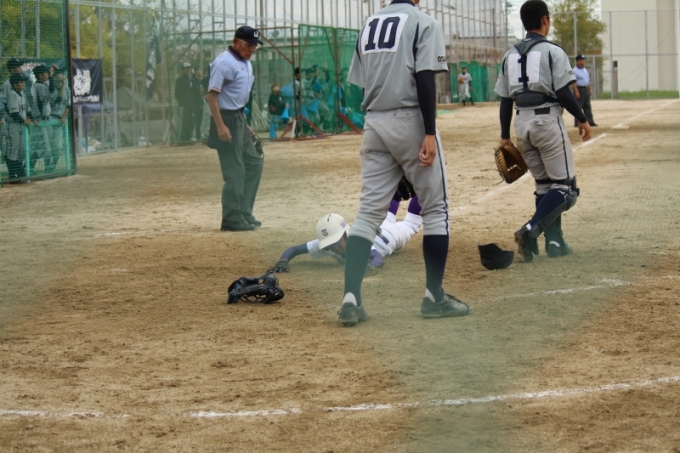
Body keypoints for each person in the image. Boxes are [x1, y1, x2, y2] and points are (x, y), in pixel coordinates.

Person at [338, 0, 470, 327]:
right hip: (411, 118)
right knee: (435, 209)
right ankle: (434, 297)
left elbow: (361, 82)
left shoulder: (369, 25)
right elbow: (425, 77)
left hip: (374, 122)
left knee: (369, 213)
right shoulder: (423, 22)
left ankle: (350, 300)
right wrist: (429, 132)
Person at [494, 0, 591, 263]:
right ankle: (530, 231)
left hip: (521, 125)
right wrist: (582, 119)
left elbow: (505, 101)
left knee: (545, 187)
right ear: (545, 20)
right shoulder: (552, 51)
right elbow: (563, 92)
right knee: (566, 189)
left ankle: (555, 241)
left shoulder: (509, 55)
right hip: (547, 122)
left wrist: (505, 136)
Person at [206, 25, 264, 232]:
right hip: (226, 119)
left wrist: (245, 125)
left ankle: (244, 212)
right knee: (235, 171)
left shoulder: (245, 62)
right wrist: (220, 125)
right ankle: (231, 218)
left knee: (254, 163)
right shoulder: (224, 62)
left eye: (255, 45)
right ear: (236, 42)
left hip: (239, 117)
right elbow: (211, 96)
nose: (252, 49)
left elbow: (237, 98)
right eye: (248, 45)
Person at [270, 197, 423, 274]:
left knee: (411, 223)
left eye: (335, 243)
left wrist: (371, 267)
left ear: (346, 235)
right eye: (329, 245)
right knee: (387, 212)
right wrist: (283, 261)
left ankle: (423, 185)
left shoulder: (359, 244)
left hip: (391, 236)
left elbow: (377, 258)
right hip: (376, 226)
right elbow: (295, 249)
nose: (333, 248)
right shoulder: (328, 243)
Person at [5, 73, 37, 180]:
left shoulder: (22, 93)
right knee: (13, 149)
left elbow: (28, 109)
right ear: (15, 84)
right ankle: (12, 174)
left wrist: (33, 119)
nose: (23, 84)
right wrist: (24, 121)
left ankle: (19, 171)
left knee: (23, 149)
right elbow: (13, 113)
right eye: (21, 82)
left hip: (22, 124)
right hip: (13, 125)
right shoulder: (12, 94)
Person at [48, 67, 71, 172]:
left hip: (59, 119)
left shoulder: (67, 89)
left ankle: (52, 167)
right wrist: (62, 86)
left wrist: (63, 117)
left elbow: (68, 105)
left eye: (62, 73)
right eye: (59, 73)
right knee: (47, 146)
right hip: (49, 117)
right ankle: (42, 168)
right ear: (54, 77)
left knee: (58, 146)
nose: (62, 75)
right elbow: (57, 100)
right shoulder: (50, 88)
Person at [30, 65, 52, 173]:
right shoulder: (39, 86)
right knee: (44, 147)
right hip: (40, 119)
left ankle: (45, 168)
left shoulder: (41, 85)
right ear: (40, 75)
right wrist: (51, 77)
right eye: (46, 73)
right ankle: (29, 167)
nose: (47, 75)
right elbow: (50, 94)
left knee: (46, 146)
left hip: (45, 119)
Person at [572, 54, 598, 127]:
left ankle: (590, 121)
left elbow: (587, 80)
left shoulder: (584, 69)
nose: (583, 61)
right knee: (578, 107)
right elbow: (573, 82)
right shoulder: (574, 70)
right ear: (578, 61)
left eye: (584, 60)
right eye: (582, 60)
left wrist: (590, 89)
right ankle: (577, 122)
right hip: (579, 89)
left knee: (587, 106)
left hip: (585, 89)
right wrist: (576, 91)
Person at [174, 62, 194, 143]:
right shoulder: (179, 80)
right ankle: (181, 139)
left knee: (190, 122)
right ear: (182, 70)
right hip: (183, 104)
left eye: (189, 69)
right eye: (186, 69)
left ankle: (188, 138)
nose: (188, 70)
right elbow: (176, 93)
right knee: (183, 122)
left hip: (190, 105)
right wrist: (182, 100)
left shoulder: (190, 79)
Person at [190, 66, 205, 141]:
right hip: (195, 103)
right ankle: (191, 136)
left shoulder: (200, 81)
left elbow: (202, 91)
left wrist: (201, 91)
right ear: (196, 72)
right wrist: (200, 91)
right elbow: (197, 90)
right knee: (193, 120)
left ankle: (198, 136)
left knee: (199, 121)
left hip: (200, 103)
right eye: (199, 70)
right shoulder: (193, 80)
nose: (201, 72)